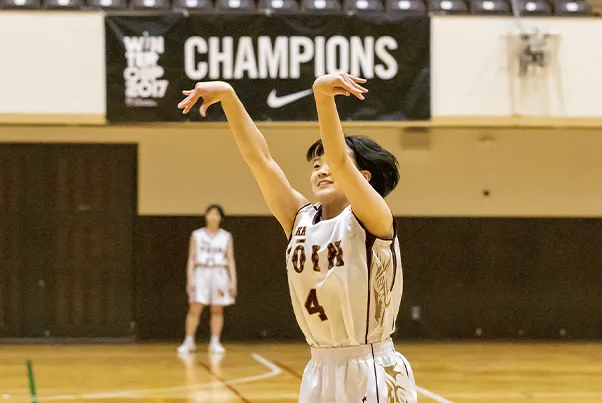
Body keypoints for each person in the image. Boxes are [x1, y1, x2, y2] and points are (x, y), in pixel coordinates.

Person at [177, 73, 417, 403]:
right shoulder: (300, 219)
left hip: (372, 366)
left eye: (329, 163)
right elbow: (260, 160)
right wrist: (230, 99)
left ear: (363, 177)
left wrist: (322, 96)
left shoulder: (373, 218)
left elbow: (339, 162)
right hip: (319, 367)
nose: (321, 169)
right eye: (315, 165)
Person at [177, 204, 237, 354]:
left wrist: (232, 281)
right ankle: (189, 341)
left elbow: (230, 260)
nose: (213, 217)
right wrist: (190, 279)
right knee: (195, 307)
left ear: (220, 218)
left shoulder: (226, 236)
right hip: (201, 271)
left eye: (216, 214)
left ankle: (215, 341)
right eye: (210, 213)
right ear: (206, 216)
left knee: (217, 308)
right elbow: (191, 258)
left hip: (219, 272)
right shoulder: (197, 235)